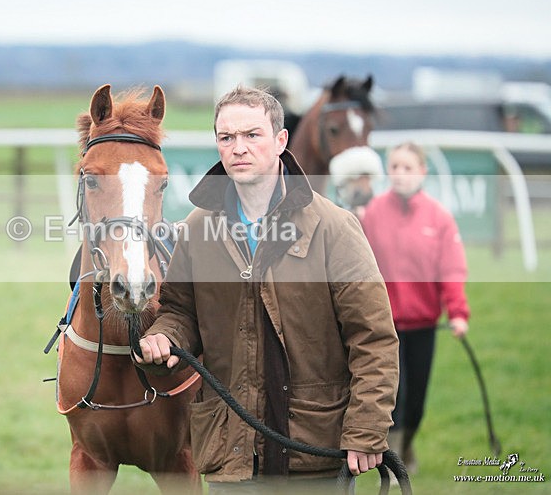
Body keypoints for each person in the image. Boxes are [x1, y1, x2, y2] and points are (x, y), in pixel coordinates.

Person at [133, 86, 399, 490]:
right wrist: (163, 337)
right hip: (230, 454)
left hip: (313, 453)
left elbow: (374, 337)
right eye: (226, 137)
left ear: (280, 140)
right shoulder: (196, 229)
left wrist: (366, 427)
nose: (238, 147)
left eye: (251, 135)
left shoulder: (334, 228)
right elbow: (179, 312)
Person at [360, 141, 470, 473]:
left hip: (423, 326)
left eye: (408, 168)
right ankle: (394, 465)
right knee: (397, 398)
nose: (400, 174)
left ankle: (407, 448)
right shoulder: (373, 214)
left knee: (417, 403)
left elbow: (451, 270)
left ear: (422, 172)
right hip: (384, 327)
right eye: (394, 167)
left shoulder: (439, 218)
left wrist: (458, 314)